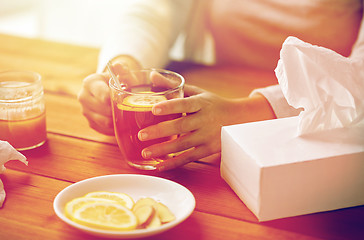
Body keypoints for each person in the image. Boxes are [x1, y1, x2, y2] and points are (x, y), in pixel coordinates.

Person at [78, 0, 364, 171]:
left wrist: (247, 112)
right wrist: (122, 69)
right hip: (223, 90)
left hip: (331, 133)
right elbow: (157, 9)